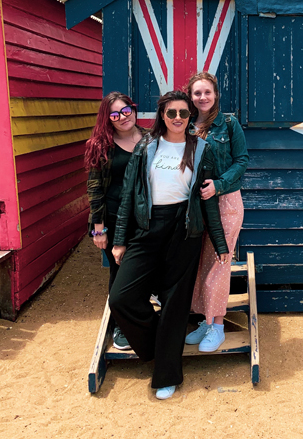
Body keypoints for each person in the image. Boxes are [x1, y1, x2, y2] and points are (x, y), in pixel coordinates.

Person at [109, 90, 228, 400]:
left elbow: (208, 200)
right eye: (171, 113)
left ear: (190, 117)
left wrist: (219, 242)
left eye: (184, 114)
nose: (178, 118)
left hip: (184, 230)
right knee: (121, 297)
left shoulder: (202, 149)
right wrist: (119, 240)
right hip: (148, 228)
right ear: (161, 115)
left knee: (175, 305)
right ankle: (156, 346)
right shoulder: (146, 147)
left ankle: (167, 375)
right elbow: (127, 197)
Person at [185, 72, 249, 352]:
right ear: (190, 96)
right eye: (197, 93)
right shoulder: (183, 124)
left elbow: (242, 160)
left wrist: (220, 185)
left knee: (219, 263)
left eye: (207, 92)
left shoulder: (229, 124)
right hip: (195, 205)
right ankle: (206, 319)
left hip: (225, 203)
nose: (202, 98)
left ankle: (218, 326)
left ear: (215, 95)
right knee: (198, 263)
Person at [85, 91, 144, 351]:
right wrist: (99, 229)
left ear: (133, 109)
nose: (122, 117)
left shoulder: (150, 139)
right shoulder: (101, 146)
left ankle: (143, 318)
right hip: (112, 216)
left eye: (126, 110)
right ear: (107, 119)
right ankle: (121, 324)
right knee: (119, 272)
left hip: (144, 217)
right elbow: (95, 188)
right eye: (115, 114)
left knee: (142, 269)